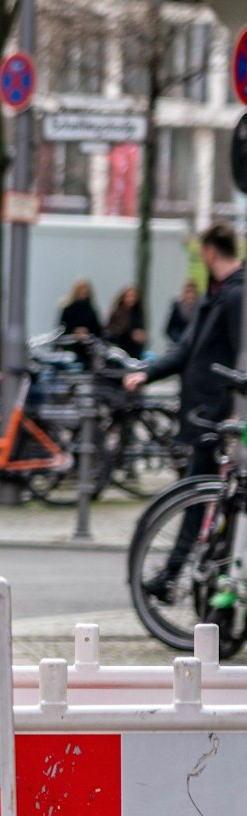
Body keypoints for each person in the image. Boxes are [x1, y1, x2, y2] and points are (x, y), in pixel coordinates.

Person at [125, 223, 245, 594]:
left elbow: (241, 355)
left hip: (220, 414)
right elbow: (187, 351)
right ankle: (191, 576)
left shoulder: (236, 295)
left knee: (204, 495)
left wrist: (235, 411)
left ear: (210, 251)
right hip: (206, 413)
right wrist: (147, 373)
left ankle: (181, 575)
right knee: (205, 495)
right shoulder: (220, 295)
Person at [106, 285, 146, 356]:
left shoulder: (138, 313)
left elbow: (141, 328)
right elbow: (112, 333)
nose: (132, 299)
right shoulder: (117, 313)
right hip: (121, 349)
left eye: (134, 296)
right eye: (129, 296)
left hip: (136, 350)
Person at [166, 279, 200, 344]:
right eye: (188, 292)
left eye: (192, 292)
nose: (190, 295)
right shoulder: (178, 306)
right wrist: (180, 340)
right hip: (180, 343)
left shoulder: (201, 308)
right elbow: (169, 329)